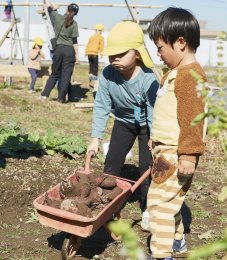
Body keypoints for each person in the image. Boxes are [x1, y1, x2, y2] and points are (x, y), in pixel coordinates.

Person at [146, 7, 207, 260]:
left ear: (180, 42)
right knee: (171, 201)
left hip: (175, 154)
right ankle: (177, 241)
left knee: (158, 206)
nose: (158, 54)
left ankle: (161, 255)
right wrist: (155, 137)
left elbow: (192, 118)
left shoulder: (188, 76)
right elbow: (169, 113)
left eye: (160, 48)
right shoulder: (175, 73)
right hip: (166, 149)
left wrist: (189, 155)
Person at [87, 21, 159, 228]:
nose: (115, 59)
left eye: (121, 54)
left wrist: (154, 138)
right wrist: (95, 138)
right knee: (111, 164)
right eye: (112, 55)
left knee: (146, 168)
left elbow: (154, 111)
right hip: (124, 122)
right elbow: (101, 105)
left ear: (137, 53)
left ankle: (147, 209)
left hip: (147, 126)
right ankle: (108, 203)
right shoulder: (108, 74)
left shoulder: (148, 79)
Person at [40, 1, 79, 103]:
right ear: (76, 13)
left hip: (58, 49)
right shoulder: (74, 24)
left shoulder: (57, 17)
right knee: (66, 75)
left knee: (54, 74)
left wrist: (46, 1)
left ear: (67, 9)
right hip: (69, 51)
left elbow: (49, 9)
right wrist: (77, 55)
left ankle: (44, 95)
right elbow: (74, 41)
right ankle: (61, 98)